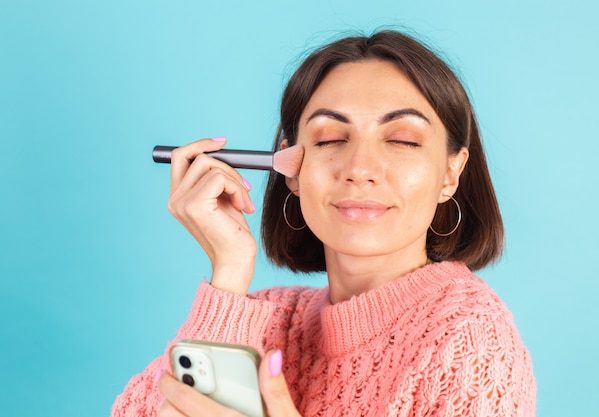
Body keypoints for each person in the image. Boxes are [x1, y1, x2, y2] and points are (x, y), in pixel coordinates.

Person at [112, 30, 536, 416]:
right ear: (291, 169)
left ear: (450, 173)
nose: (359, 168)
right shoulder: (267, 315)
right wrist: (228, 269)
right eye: (330, 138)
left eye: (403, 140)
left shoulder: (471, 340)